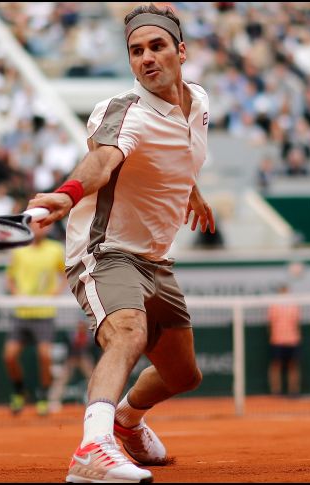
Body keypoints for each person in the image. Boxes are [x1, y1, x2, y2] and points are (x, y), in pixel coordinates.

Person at [26, 4, 215, 482]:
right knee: (127, 333)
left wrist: (194, 193)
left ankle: (128, 423)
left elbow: (178, 154)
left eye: (156, 47)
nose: (146, 58)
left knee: (183, 375)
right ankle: (92, 448)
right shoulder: (124, 112)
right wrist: (66, 196)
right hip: (104, 251)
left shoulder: (200, 103)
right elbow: (104, 162)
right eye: (136, 51)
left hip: (156, 259)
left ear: (181, 52)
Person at [3, 220, 66, 417]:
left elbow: (65, 274)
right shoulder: (18, 251)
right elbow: (10, 277)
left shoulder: (55, 249)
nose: (39, 228)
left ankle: (44, 396)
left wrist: (55, 293)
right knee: (10, 356)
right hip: (22, 313)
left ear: (48, 228)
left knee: (45, 356)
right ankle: (19, 391)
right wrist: (16, 294)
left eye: (43, 225)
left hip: (44, 314)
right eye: (35, 225)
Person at [47, 316, 97, 414]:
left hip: (84, 358)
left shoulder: (90, 334)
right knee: (61, 379)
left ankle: (97, 401)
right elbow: (70, 345)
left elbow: (90, 346)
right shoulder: (71, 333)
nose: (81, 325)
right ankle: (53, 402)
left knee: (94, 379)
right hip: (71, 358)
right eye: (80, 323)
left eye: (83, 323)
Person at [267, 284, 301, 397]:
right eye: (282, 290)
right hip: (277, 340)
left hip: (292, 340)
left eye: (286, 290)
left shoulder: (294, 305)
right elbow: (270, 323)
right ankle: (276, 391)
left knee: (293, 365)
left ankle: (293, 391)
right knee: (276, 365)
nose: (284, 292)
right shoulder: (274, 305)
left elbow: (297, 322)